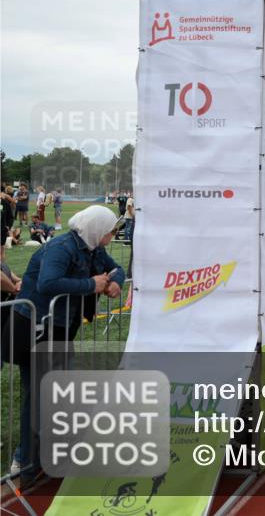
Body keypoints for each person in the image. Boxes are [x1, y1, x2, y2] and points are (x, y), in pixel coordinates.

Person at [2, 205, 125, 483]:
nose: (113, 235)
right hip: (37, 330)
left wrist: (115, 281)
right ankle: (25, 462)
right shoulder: (61, 247)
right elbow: (48, 283)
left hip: (57, 330)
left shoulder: (91, 247)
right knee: (40, 397)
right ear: (96, 230)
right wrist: (91, 285)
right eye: (110, 231)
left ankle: (46, 456)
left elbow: (116, 267)